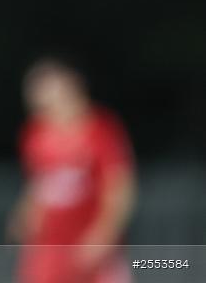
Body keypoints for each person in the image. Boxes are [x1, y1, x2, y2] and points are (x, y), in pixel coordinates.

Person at [8, 55, 136, 283]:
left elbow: (119, 188)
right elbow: (39, 185)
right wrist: (25, 215)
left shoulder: (102, 131)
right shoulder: (35, 135)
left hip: (89, 245)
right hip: (49, 247)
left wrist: (103, 234)